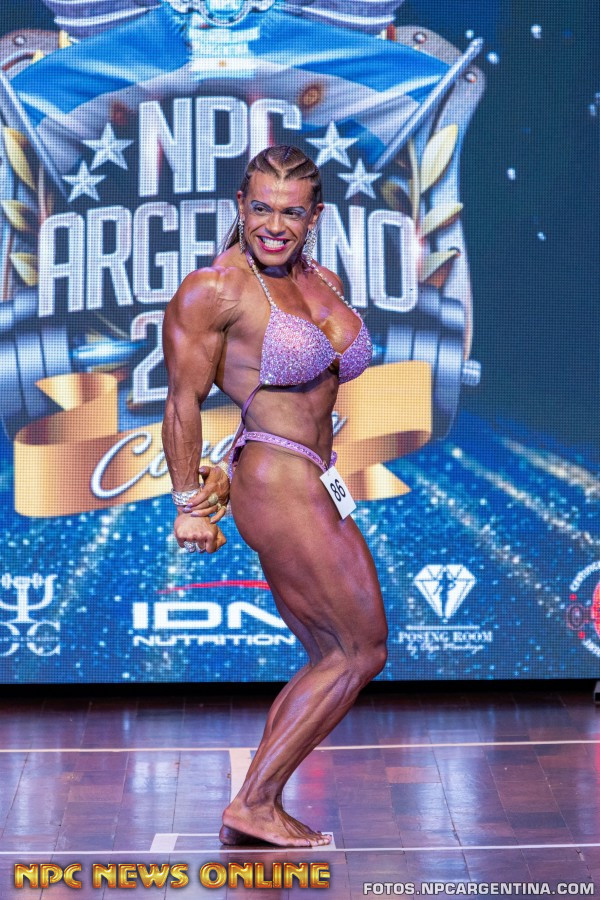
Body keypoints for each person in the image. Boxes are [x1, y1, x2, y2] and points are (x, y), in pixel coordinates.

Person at [161, 145, 388, 848]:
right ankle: (255, 802)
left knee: (335, 652)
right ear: (240, 204)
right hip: (276, 478)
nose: (273, 226)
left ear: (314, 216)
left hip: (314, 475)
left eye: (291, 213)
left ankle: (256, 801)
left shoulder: (321, 279)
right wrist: (188, 503)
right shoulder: (216, 289)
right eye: (260, 208)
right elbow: (182, 402)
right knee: (359, 649)